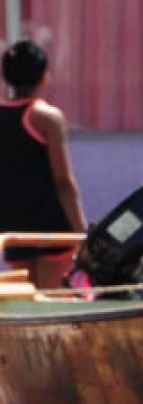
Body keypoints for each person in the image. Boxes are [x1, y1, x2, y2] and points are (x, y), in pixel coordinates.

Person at [0, 40, 86, 290]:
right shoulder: (47, 118)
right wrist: (82, 233)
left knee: (29, 302)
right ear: (44, 77)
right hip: (52, 225)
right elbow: (63, 182)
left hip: (14, 223)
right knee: (54, 303)